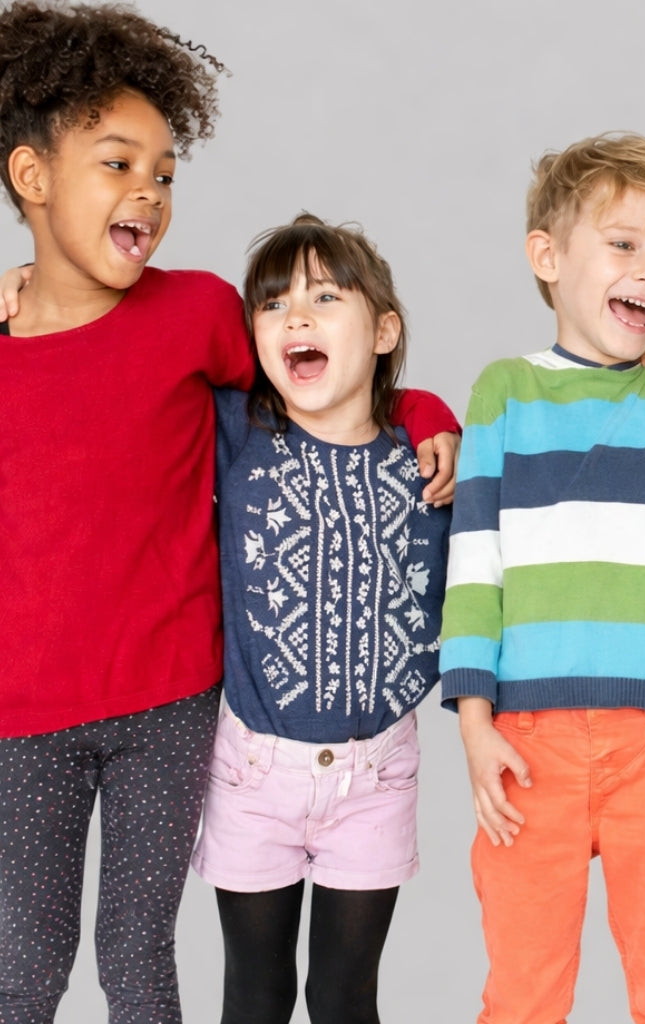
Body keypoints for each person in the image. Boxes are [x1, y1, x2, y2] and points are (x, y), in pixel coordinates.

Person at [0, 7, 454, 1019]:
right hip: (21, 715)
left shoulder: (198, 312)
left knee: (137, 958)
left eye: (165, 174)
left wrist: (424, 413)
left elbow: (325, 390)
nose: (149, 192)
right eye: (118, 165)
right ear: (32, 177)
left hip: (169, 704)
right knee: (22, 971)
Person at [439, 132, 645, 1024]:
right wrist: (474, 724)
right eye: (623, 244)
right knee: (523, 995)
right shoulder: (503, 392)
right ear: (548, 256)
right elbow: (475, 563)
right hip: (527, 742)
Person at [186, 215, 452, 1024]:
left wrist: (429, 412)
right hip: (254, 768)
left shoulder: (429, 461)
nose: (296, 317)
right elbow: (150, 351)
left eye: (326, 298)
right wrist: (30, 292)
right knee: (255, 995)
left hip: (377, 771)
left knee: (343, 998)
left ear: (384, 332)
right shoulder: (237, 433)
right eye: (272, 305)